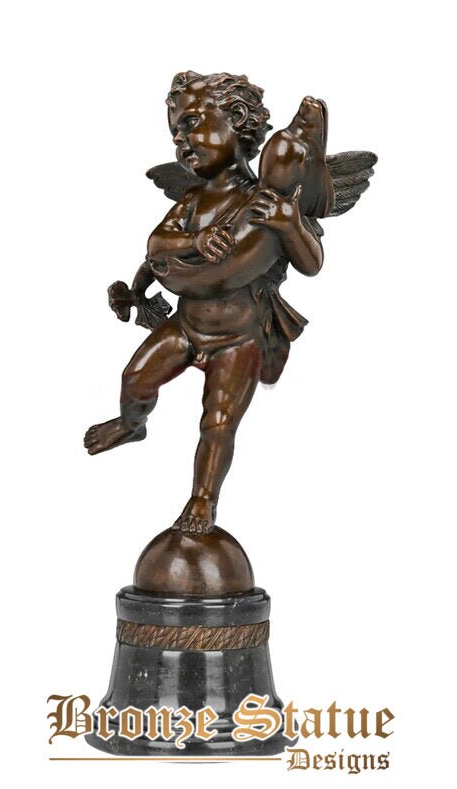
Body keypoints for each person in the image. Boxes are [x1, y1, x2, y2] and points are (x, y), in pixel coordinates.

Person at [85, 72, 323, 533]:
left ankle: (202, 501)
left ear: (237, 119)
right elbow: (157, 245)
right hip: (187, 324)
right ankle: (132, 425)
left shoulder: (266, 203)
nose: (181, 141)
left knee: (218, 422)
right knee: (134, 379)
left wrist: (291, 223)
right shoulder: (194, 200)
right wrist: (185, 249)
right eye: (175, 134)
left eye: (191, 124)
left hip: (239, 337)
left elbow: (311, 264)